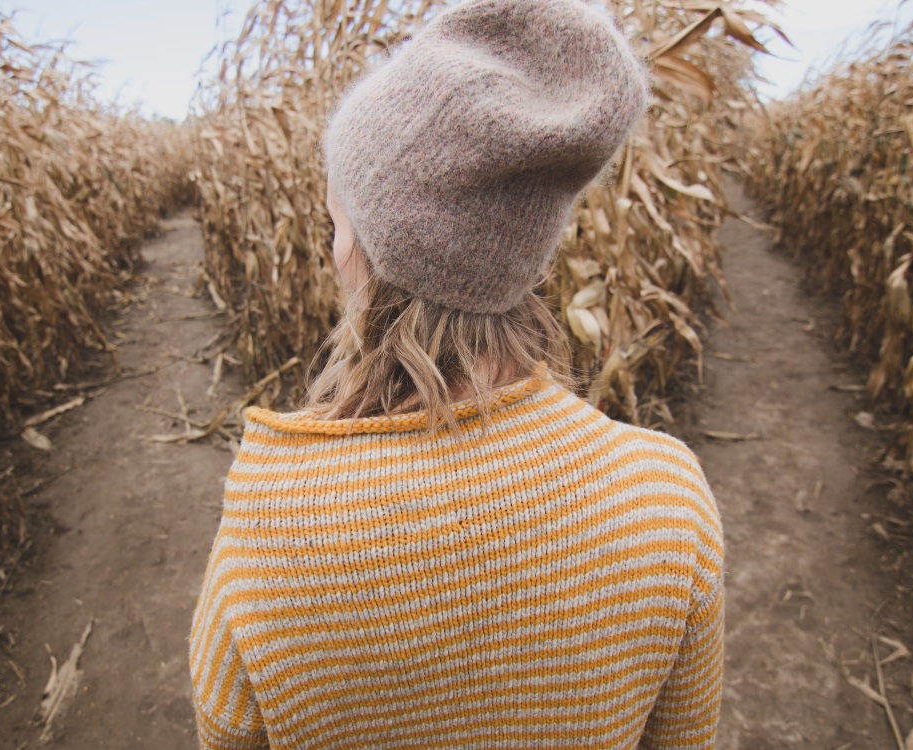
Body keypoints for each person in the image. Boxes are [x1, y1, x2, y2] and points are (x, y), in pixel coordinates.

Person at [188, 0, 725, 747]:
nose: (332, 250)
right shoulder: (667, 498)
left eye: (337, 223)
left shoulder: (274, 527)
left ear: (373, 251)